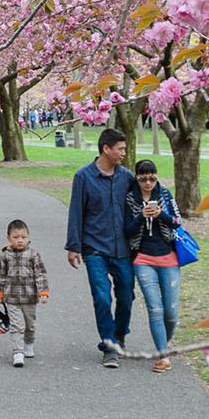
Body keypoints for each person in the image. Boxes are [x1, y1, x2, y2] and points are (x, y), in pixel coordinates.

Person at [65, 127, 136, 367]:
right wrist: (73, 246)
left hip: (123, 248)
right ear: (106, 149)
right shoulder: (83, 177)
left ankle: (120, 335)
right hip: (94, 247)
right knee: (102, 297)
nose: (124, 153)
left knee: (126, 296)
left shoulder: (126, 177)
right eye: (120, 149)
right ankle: (109, 345)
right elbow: (76, 212)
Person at [124, 159, 183, 373]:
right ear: (137, 178)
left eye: (152, 178)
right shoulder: (130, 198)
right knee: (155, 309)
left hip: (168, 257)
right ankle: (163, 355)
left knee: (171, 312)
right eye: (143, 179)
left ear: (156, 176)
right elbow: (127, 230)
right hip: (143, 259)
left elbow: (178, 222)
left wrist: (161, 215)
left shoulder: (165, 195)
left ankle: (163, 344)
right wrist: (141, 216)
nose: (148, 183)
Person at [0, 218, 50, 367]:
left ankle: (28, 344)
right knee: (16, 325)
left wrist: (43, 291)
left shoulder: (33, 255)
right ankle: (17, 352)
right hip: (11, 297)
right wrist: (1, 294)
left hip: (30, 297)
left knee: (29, 325)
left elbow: (40, 274)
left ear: (28, 237)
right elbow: (1, 276)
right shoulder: (5, 255)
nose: (20, 240)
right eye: (16, 237)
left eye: (23, 237)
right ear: (9, 238)